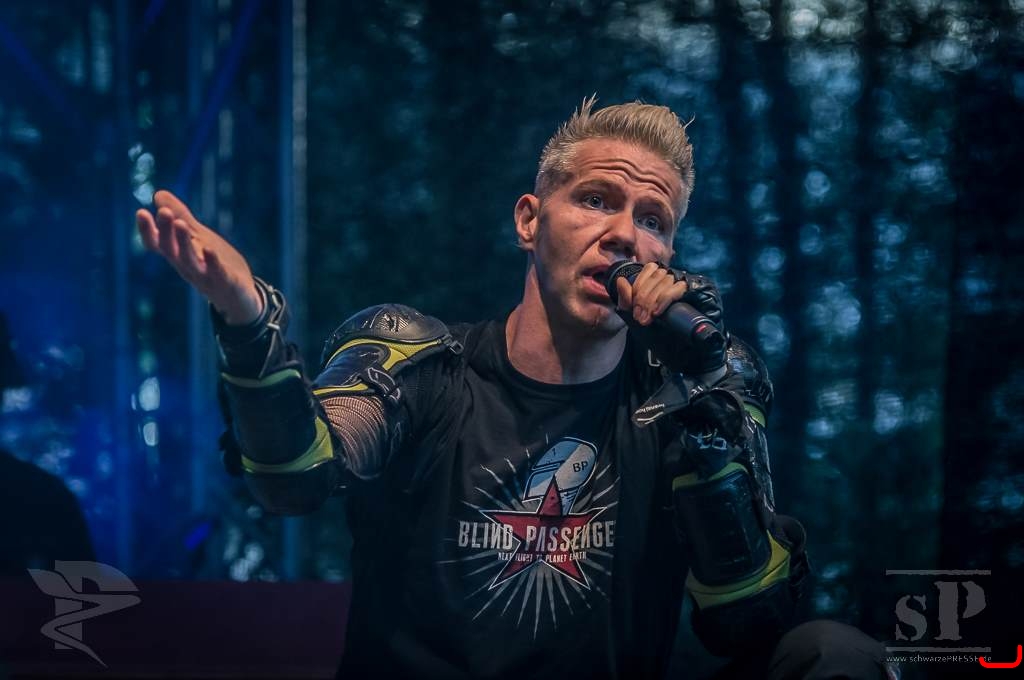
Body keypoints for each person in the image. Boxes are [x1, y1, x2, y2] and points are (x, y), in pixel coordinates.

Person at [136, 98, 890, 679]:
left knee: (835, 655)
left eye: (652, 219)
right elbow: (293, 474)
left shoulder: (687, 394)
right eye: (596, 200)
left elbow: (746, 625)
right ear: (530, 221)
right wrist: (247, 322)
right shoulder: (420, 364)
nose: (624, 234)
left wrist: (706, 420)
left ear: (668, 253)